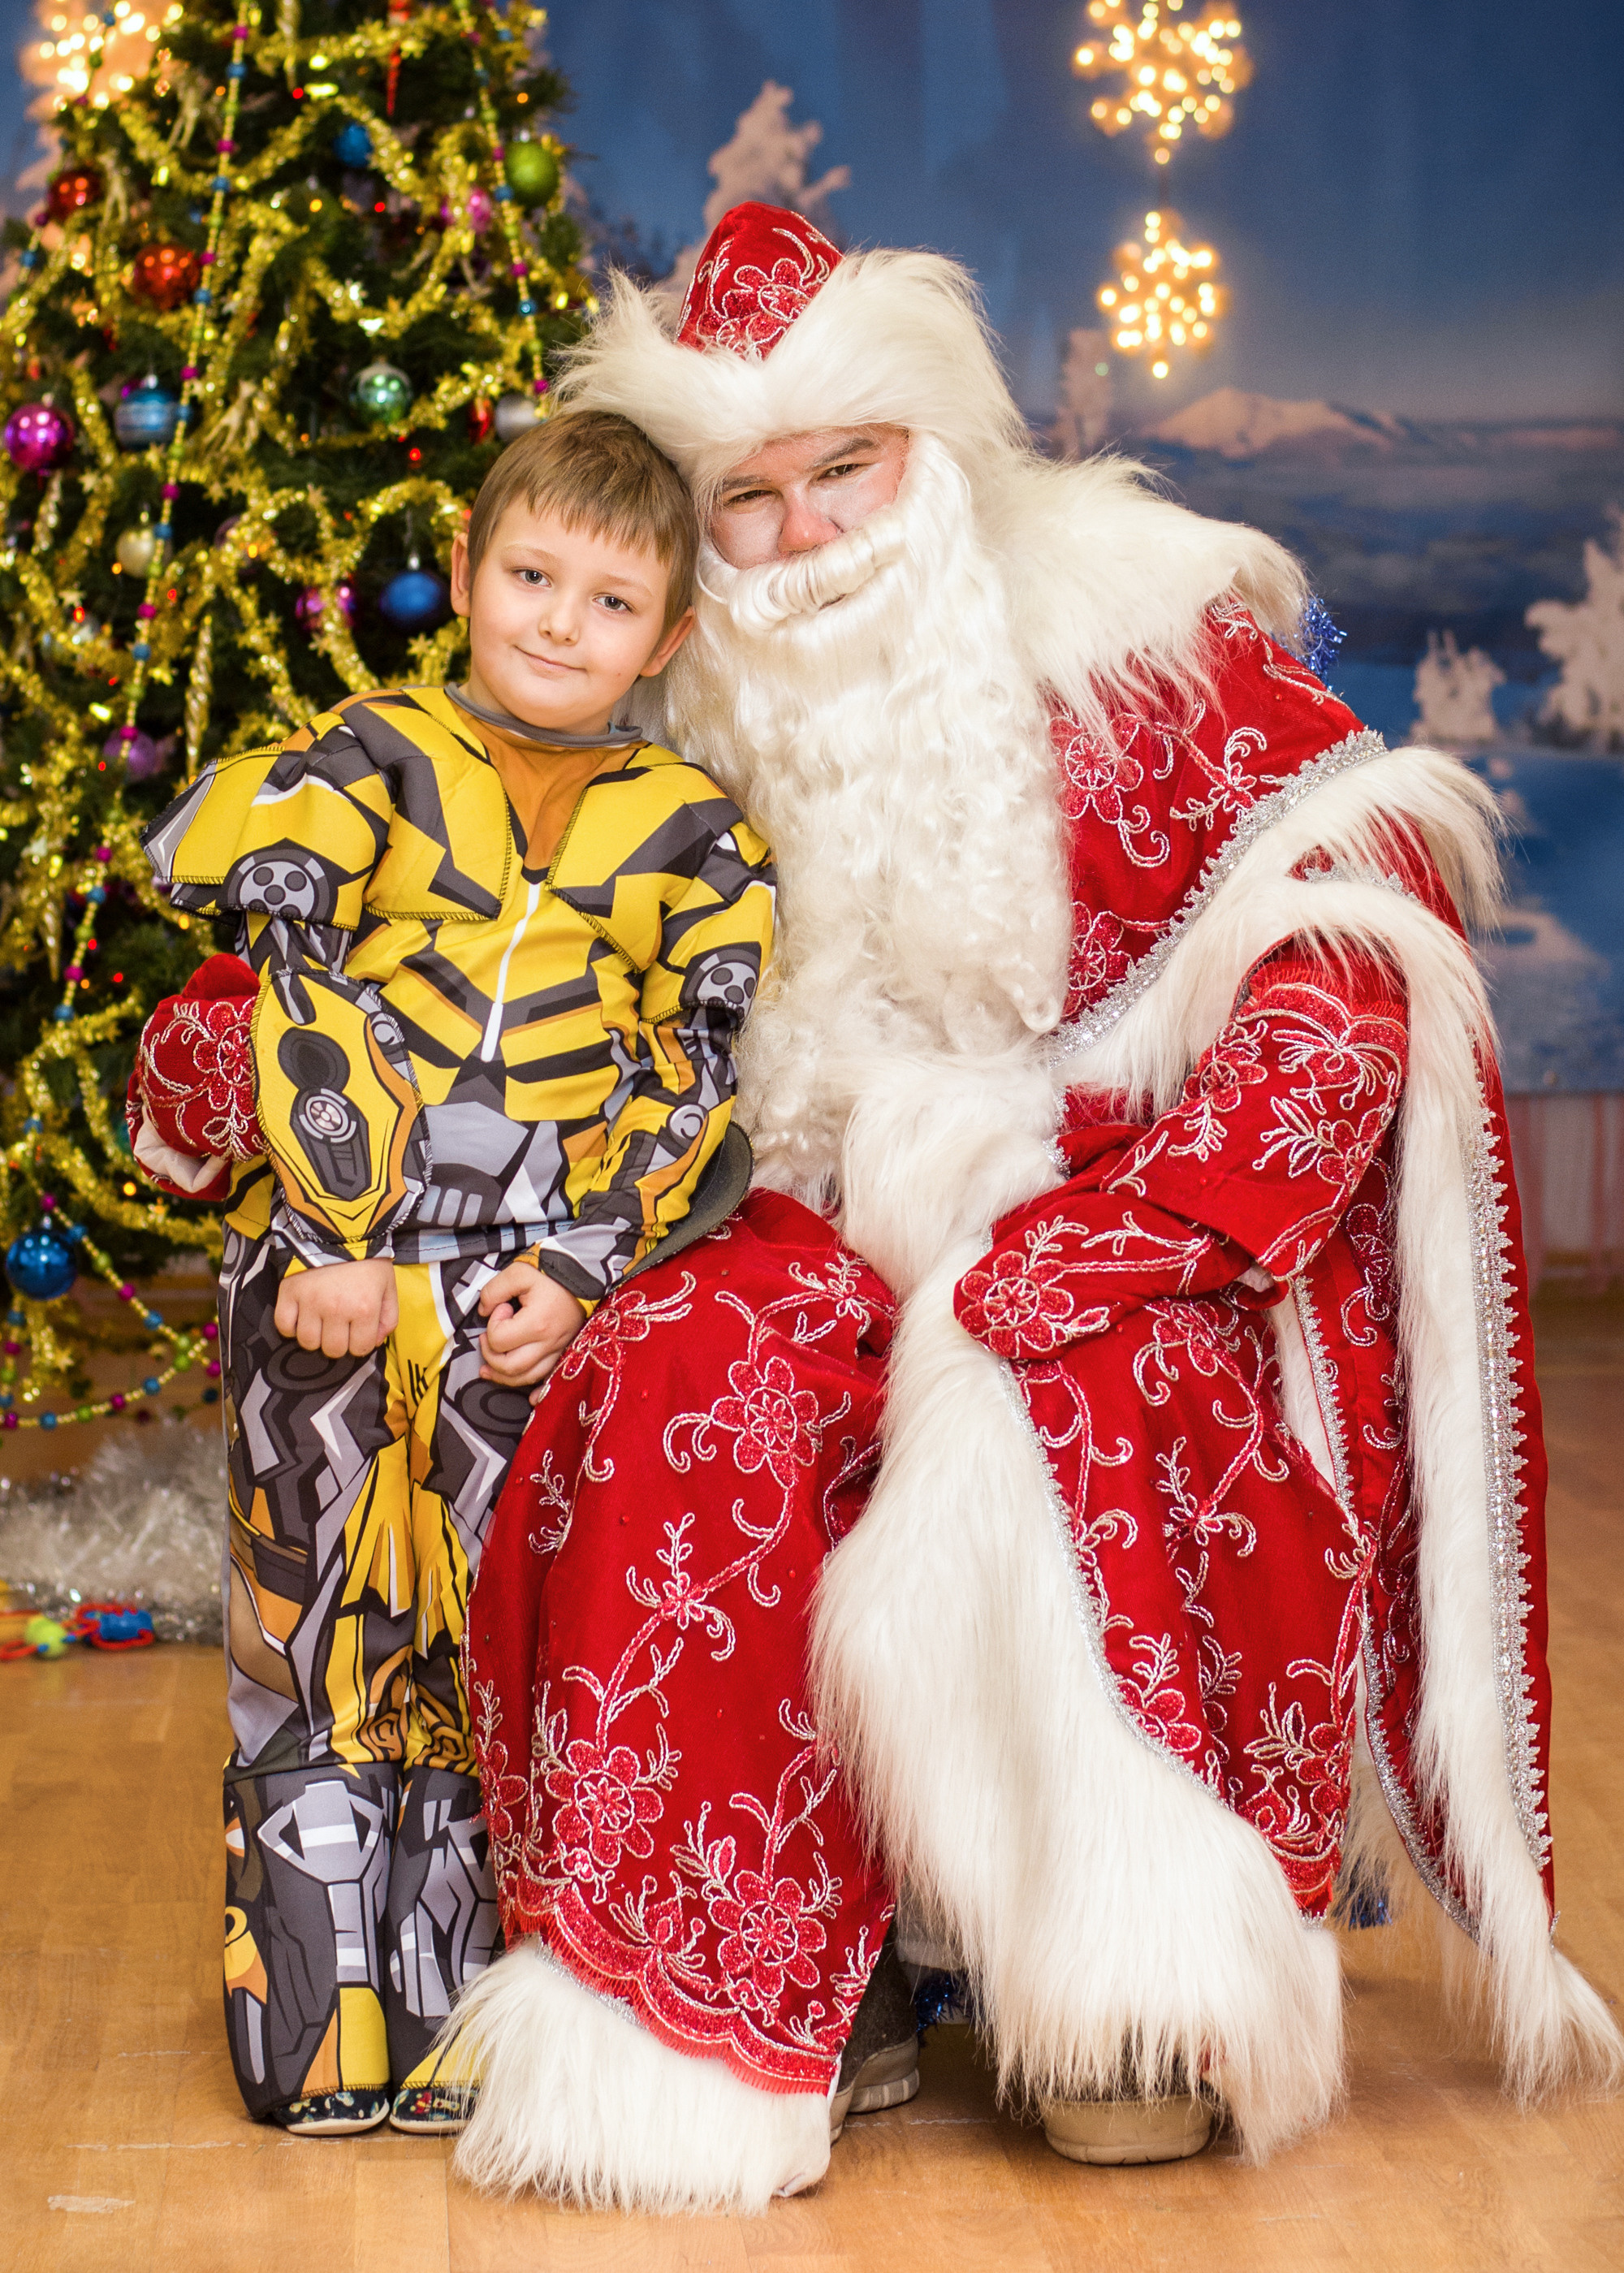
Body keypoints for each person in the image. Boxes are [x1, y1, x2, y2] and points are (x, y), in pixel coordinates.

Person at [447, 204, 1622, 2212]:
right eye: (750, 496)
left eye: (849, 469)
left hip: (1108, 1173)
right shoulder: (650, 694)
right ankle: (769, 1986)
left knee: (1079, 1360)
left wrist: (1189, 1192)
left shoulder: (1138, 620)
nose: (810, 530)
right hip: (797, 1197)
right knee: (683, 1374)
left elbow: (1347, 898)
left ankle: (1129, 1988)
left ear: (927, 446)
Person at [127, 410, 775, 2137]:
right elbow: (288, 966)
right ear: (470, 576)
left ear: (672, 636)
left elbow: (692, 1078)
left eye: (612, 598)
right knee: (318, 1642)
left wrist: (579, 1266)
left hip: (527, 1303)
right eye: (530, 576)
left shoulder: (694, 830)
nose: (561, 623)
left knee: (492, 1662)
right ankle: (314, 2033)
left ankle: (482, 2037)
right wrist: (334, 1233)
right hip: (337, 1277)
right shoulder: (370, 756)